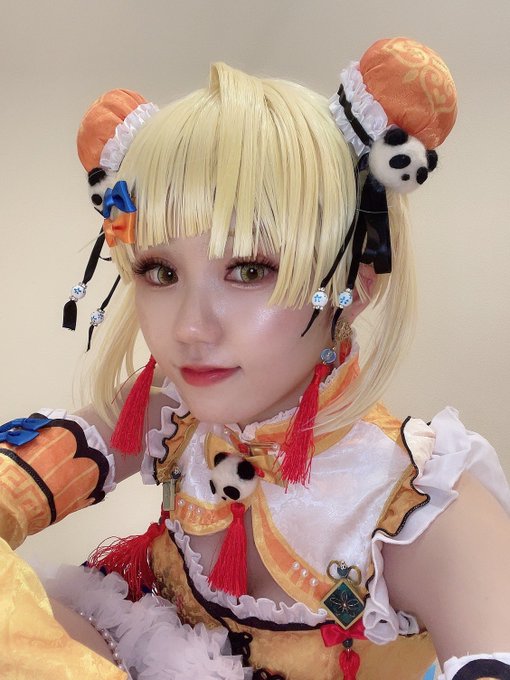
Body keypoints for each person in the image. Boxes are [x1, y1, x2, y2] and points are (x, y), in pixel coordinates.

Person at [1, 36, 509, 680]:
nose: (189, 327)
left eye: (248, 269)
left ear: (357, 287)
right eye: (160, 271)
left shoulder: (420, 508)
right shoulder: (167, 412)